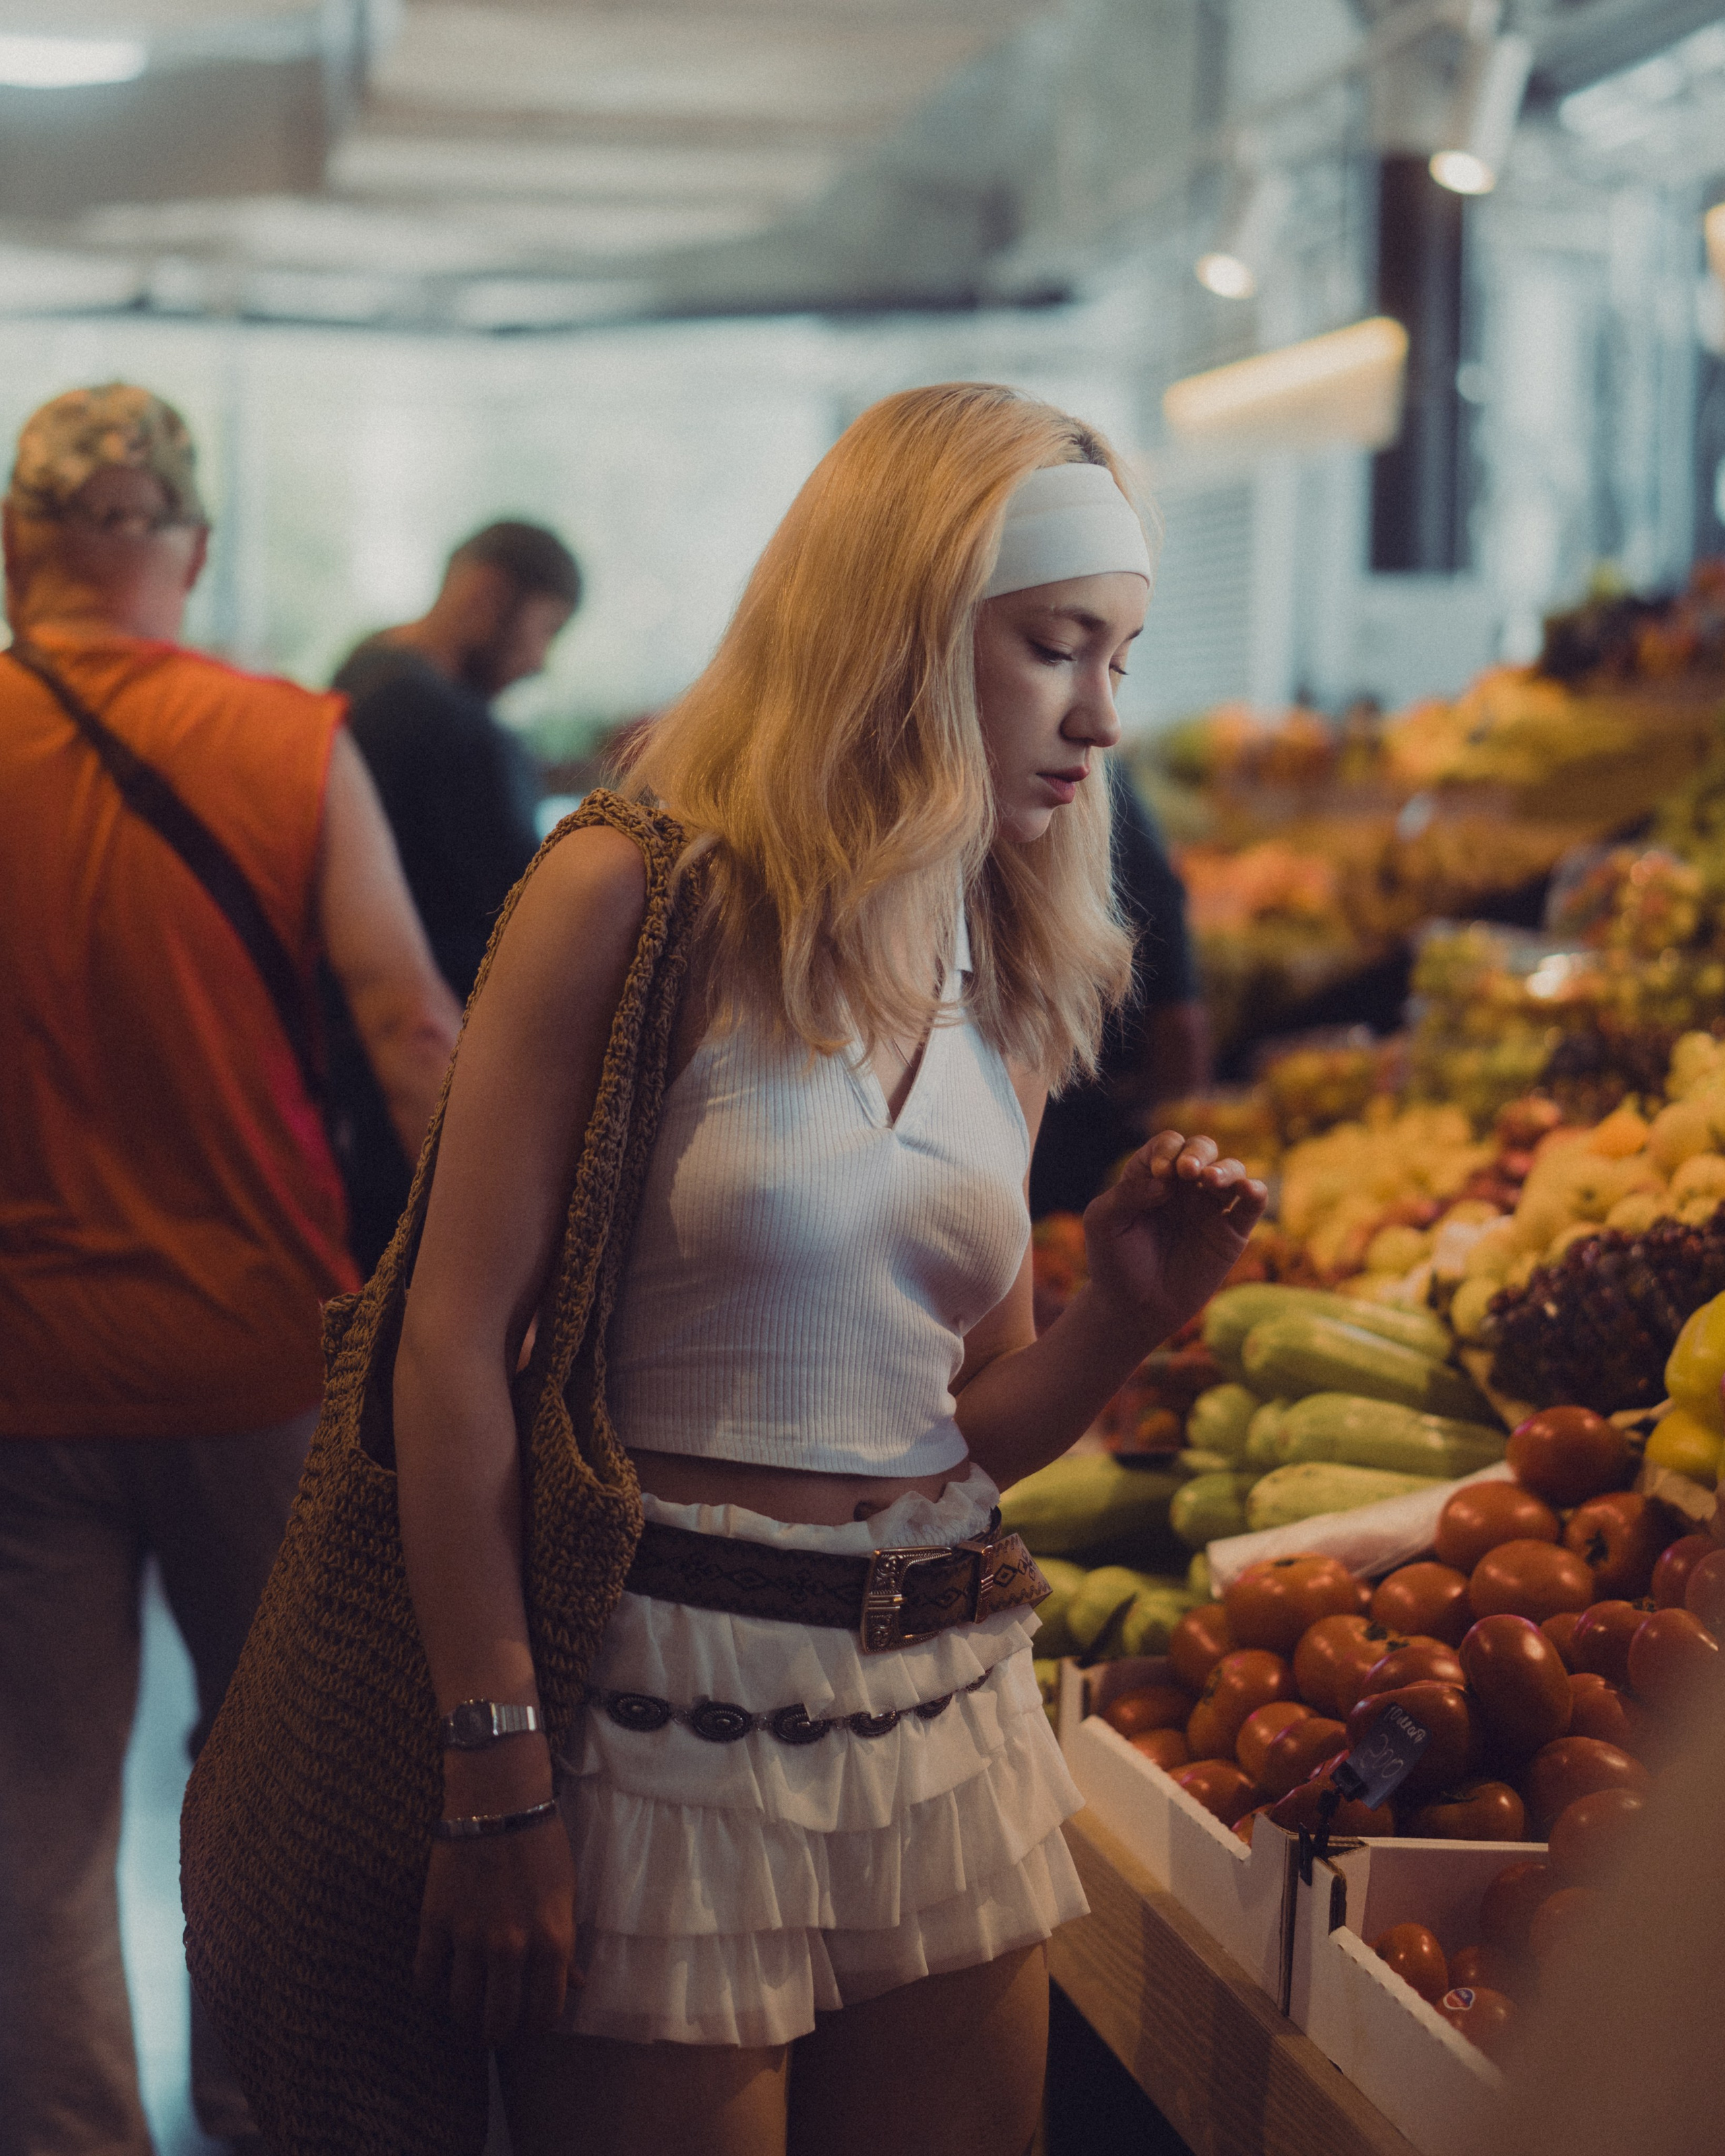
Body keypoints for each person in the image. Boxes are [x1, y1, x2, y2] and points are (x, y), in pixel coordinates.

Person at [388, 382, 1267, 2156]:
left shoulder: (1008, 962)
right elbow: (450, 1349)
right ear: (910, 624)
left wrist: (1121, 1317)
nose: (1103, 717)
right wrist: (493, 1772)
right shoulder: (631, 899)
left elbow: (961, 1440)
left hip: (945, 1713)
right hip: (656, 1723)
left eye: (1123, 657)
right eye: (1055, 648)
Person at [0, 383, 462, 2154]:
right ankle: (271, 2117)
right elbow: (412, 1037)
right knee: (273, 1798)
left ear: (16, 550)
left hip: (18, 1382)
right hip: (259, 1359)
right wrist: (498, 1300)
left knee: (30, 1832)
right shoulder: (287, 739)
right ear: (183, 551)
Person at [323, 520, 582, 1271]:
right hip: (425, 1077)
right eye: (544, 629)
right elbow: (531, 923)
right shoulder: (457, 731)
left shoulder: (361, 673)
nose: (540, 661)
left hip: (343, 1065)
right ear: (486, 596)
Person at [1029, 758, 1210, 1217]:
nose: (1105, 724)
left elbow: (1176, 1002)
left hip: (1088, 1144)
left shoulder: (1091, 786)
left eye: (1116, 680)